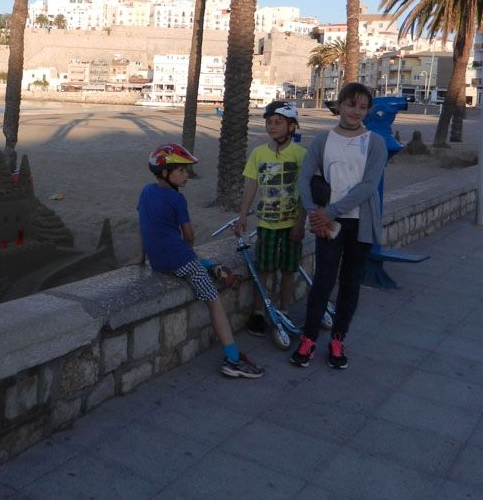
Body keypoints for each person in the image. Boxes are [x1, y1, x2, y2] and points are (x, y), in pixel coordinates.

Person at [138, 143, 264, 378]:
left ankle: (211, 267)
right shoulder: (177, 200)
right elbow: (189, 236)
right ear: (166, 172)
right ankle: (232, 358)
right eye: (182, 171)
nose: (187, 175)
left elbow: (144, 227)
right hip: (180, 260)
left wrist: (140, 259)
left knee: (193, 262)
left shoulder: (146, 191)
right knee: (213, 301)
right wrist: (188, 253)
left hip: (157, 262)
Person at [292, 83, 387, 370]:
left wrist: (329, 212)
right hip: (328, 225)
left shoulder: (375, 143)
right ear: (340, 105)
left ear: (367, 110)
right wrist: (314, 213)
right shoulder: (323, 140)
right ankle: (309, 339)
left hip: (360, 224)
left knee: (350, 283)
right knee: (323, 280)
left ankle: (337, 339)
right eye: (350, 104)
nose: (355, 111)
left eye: (362, 106)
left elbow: (369, 186)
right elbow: (304, 179)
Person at [234, 101, 306, 337]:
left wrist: (299, 223)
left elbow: (306, 192)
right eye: (269, 122)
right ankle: (259, 312)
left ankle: (284, 310)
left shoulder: (301, 155)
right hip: (266, 223)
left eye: (279, 122)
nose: (272, 126)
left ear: (291, 126)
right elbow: (251, 186)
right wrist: (242, 216)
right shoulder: (258, 154)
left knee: (287, 270)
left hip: (290, 224)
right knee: (263, 269)